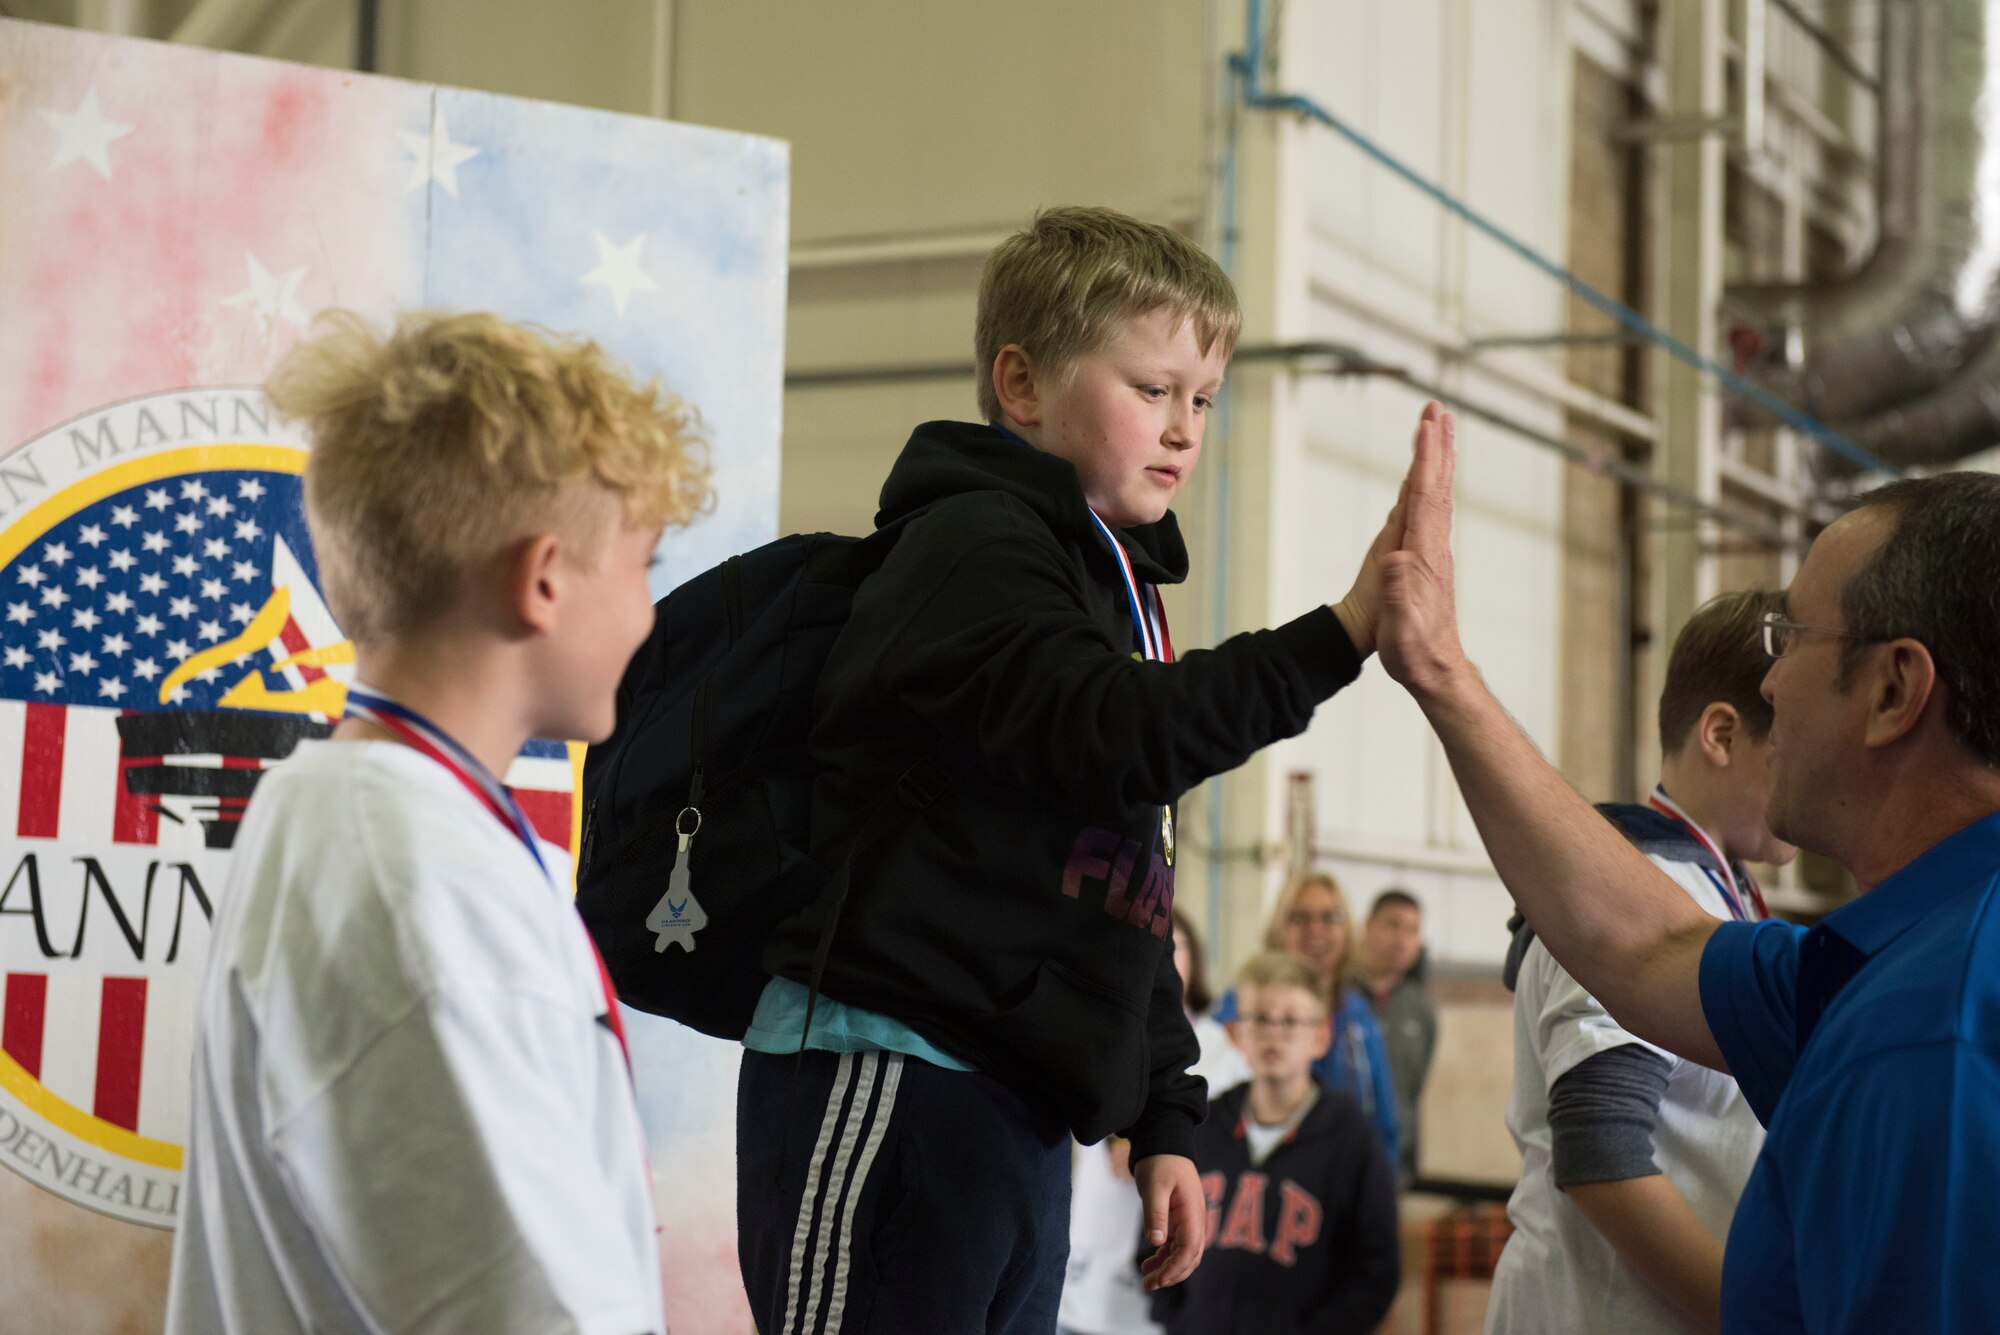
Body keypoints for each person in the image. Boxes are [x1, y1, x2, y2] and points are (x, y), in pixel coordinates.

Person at [734, 207, 1414, 1334]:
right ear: (1021, 383)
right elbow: (1121, 735)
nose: (1184, 428)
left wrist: (1161, 1119)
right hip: (888, 1079)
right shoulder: (972, 545)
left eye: (1201, 399)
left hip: (1010, 1104)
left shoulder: (1109, 586)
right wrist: (1343, 629)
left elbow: (1117, 875)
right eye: (1150, 389)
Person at [1375, 406, 2000, 1331]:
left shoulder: (1935, 1036)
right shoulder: (1885, 961)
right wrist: (1439, 669)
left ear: (1893, 690)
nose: (1774, 681)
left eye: (1794, 640)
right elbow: (1651, 946)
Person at [165, 311, 710, 1335]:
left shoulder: (369, 817)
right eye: (644, 565)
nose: (648, 615)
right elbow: (518, 1312)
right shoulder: (413, 878)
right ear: (543, 577)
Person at [1489, 589, 1794, 1334]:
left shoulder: (1718, 889)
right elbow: (1602, 1149)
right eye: (1793, 744)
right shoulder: (1636, 885)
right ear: (1720, 733)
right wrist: (1753, 1316)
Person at [1148, 951, 1401, 1335]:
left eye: (1291, 1021)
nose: (1274, 1034)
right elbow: (1156, 1237)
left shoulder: (1352, 1139)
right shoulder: (1200, 1124)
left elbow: (1376, 1271)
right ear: (1235, 1034)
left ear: (1321, 1036)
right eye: (1261, 1019)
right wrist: (1181, 1320)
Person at [1060, 910, 1248, 1335]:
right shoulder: (1103, 1026)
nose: (1169, 959)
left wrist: (1160, 1135)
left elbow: (1230, 1126)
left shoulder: (1221, 1048)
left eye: (1178, 950)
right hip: (1096, 1216)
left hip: (1171, 1208)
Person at [1217, 873, 1400, 1167]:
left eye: (1330, 917)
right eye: (1300, 918)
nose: (1316, 929)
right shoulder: (1237, 1008)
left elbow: (1384, 1125)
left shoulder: (1359, 1017)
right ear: (1279, 929)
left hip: (1340, 1181)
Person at [1356, 888, 1435, 1182]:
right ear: (1368, 927)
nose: (1402, 940)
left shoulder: (1422, 1011)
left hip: (1392, 1164)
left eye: (1412, 930)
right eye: (1393, 925)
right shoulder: (1339, 997)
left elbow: (1414, 1086)